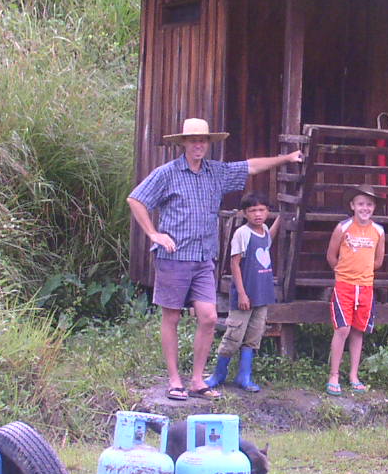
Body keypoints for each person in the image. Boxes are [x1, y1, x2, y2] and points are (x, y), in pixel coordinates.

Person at [127, 117, 302, 401]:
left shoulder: (216, 173)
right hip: (175, 256)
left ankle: (197, 380)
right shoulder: (167, 173)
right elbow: (136, 199)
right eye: (193, 140)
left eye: (203, 140)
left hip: (204, 258)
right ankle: (174, 380)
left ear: (208, 143)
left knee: (208, 318)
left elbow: (251, 166)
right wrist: (154, 234)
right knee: (171, 316)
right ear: (183, 142)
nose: (198, 144)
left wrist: (286, 158)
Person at [203, 193, 280, 393]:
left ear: (268, 212)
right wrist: (243, 294)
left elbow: (269, 239)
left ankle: (244, 376)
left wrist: (282, 219)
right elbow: (234, 263)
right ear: (245, 213)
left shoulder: (263, 231)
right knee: (234, 335)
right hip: (245, 295)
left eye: (262, 210)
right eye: (253, 211)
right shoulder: (242, 233)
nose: (258, 214)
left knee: (254, 336)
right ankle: (218, 374)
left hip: (262, 294)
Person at [325, 184, 385, 395]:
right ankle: (334, 375)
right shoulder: (343, 227)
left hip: (366, 286)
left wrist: (362, 272)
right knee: (342, 329)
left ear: (374, 207)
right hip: (344, 286)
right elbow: (331, 256)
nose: (364, 208)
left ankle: (353, 375)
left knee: (359, 331)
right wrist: (343, 273)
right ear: (352, 205)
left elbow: (378, 261)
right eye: (360, 204)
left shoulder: (379, 231)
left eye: (369, 204)